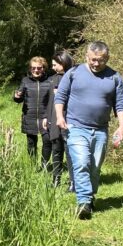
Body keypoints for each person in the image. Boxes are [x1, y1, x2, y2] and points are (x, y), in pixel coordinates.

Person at [54, 41, 123, 220]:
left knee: (94, 168)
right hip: (76, 127)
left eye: (101, 60)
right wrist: (59, 116)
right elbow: (61, 96)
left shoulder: (115, 78)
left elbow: (121, 104)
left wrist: (121, 127)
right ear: (87, 57)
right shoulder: (73, 73)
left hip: (100, 130)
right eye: (93, 60)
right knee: (81, 163)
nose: (96, 64)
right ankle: (84, 202)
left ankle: (89, 196)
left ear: (107, 58)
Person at [42, 50, 74, 190]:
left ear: (64, 63)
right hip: (54, 118)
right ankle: (56, 179)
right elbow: (49, 101)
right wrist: (46, 117)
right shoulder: (53, 78)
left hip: (69, 117)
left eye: (56, 64)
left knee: (70, 151)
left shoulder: (74, 77)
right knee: (56, 149)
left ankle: (74, 182)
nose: (53, 67)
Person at [13, 56, 52, 165]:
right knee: (31, 143)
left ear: (43, 68)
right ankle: (32, 165)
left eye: (39, 68)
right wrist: (16, 96)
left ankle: (44, 165)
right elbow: (18, 98)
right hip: (29, 116)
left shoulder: (50, 81)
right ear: (30, 69)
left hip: (45, 116)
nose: (36, 70)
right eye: (33, 68)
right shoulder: (25, 81)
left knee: (47, 141)